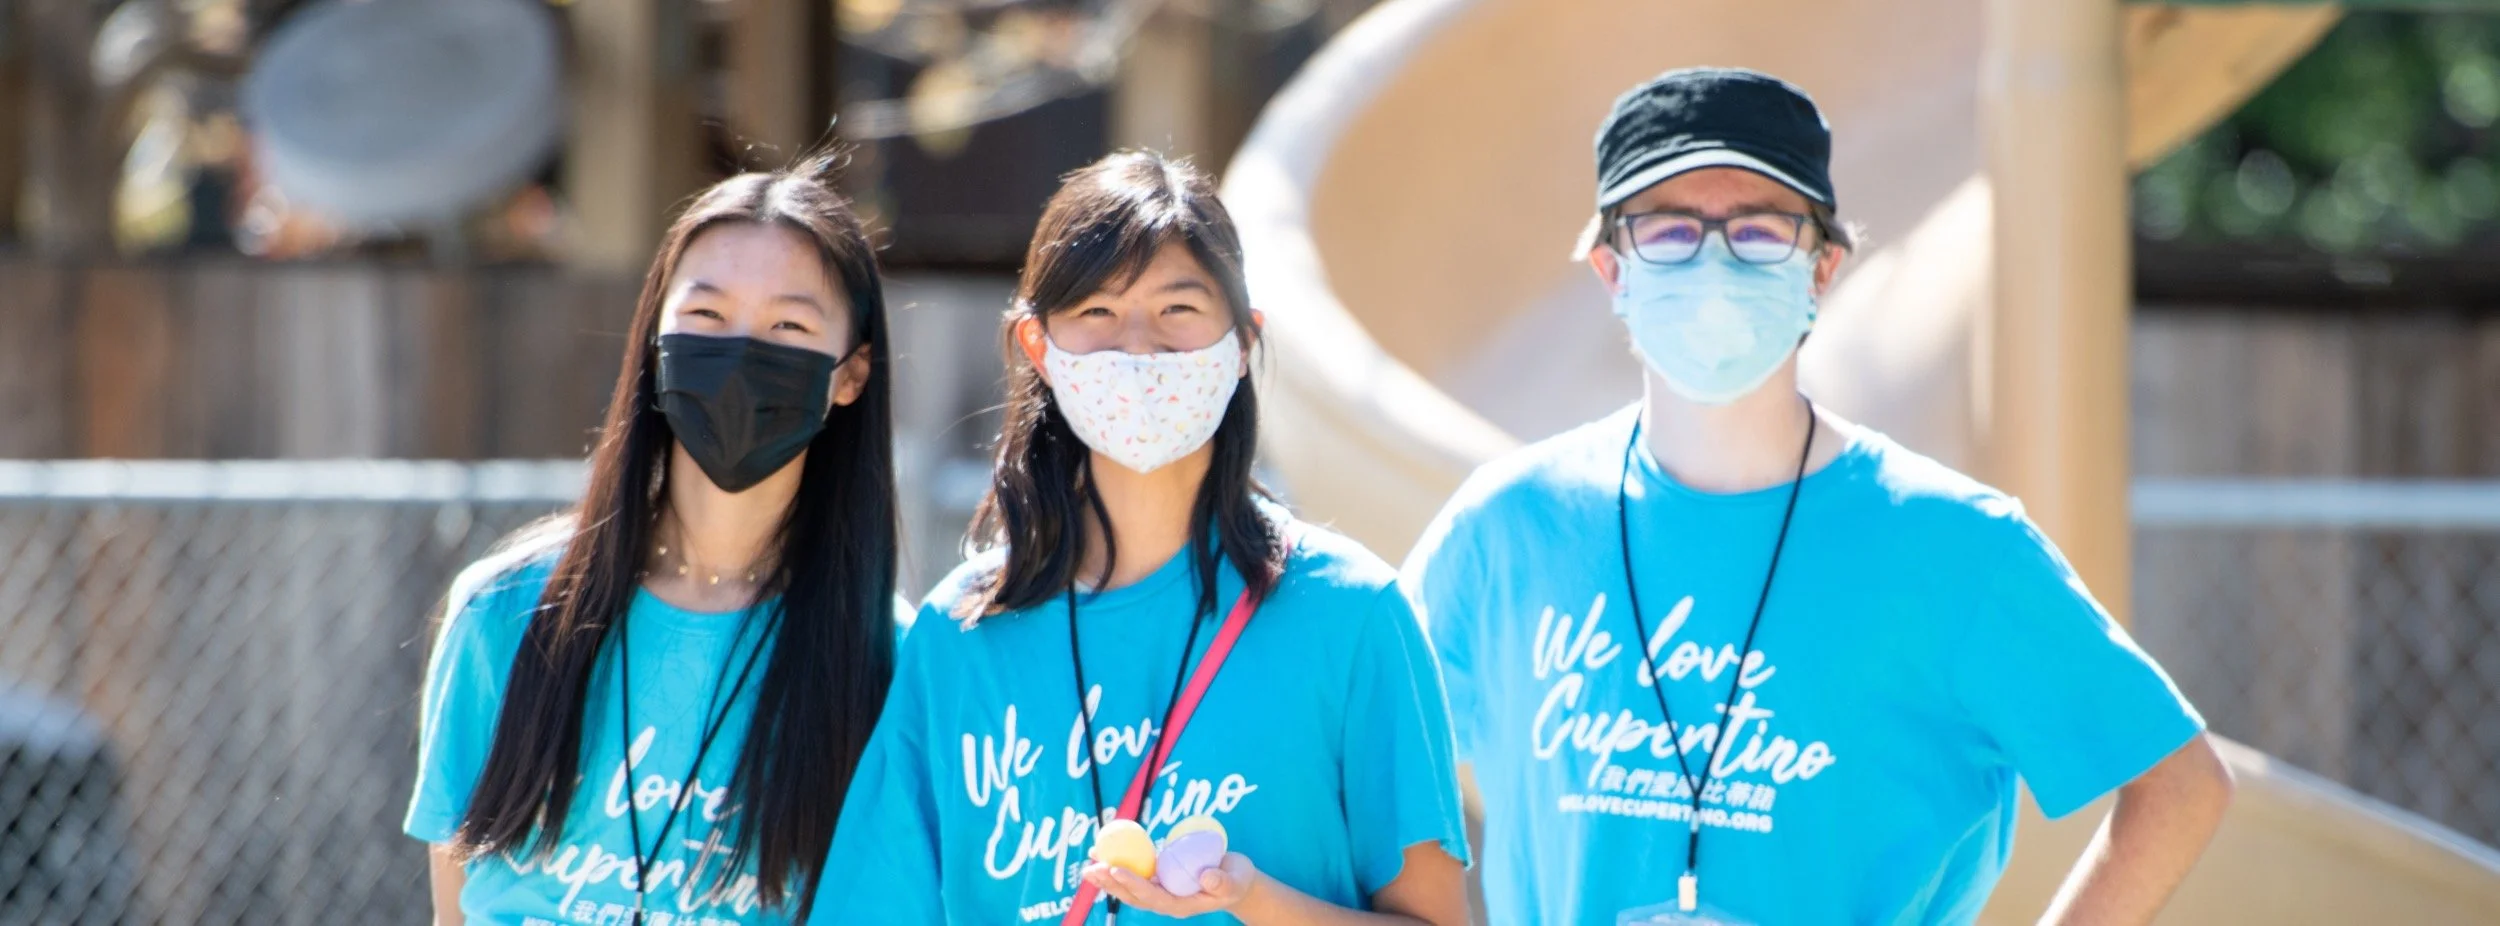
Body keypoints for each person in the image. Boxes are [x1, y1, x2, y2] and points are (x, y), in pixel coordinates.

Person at [1400, 68, 2234, 926]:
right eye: (1670, 231)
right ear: (1613, 269)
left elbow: (2179, 786)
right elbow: (1361, 777)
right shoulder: (1506, 527)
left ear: (1823, 268)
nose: (1713, 261)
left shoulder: (1955, 550)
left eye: (1759, 232)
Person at [816, 151, 1471, 926]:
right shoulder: (960, 634)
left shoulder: (1354, 615)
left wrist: (1254, 900)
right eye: (1096, 311)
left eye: (1178, 310)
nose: (1138, 349)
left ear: (1241, 343)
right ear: (1038, 346)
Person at [405, 158, 900, 926]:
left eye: (789, 327)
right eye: (706, 317)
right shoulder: (505, 609)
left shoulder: (887, 655)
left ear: (851, 374)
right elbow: (456, 904)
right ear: (654, 340)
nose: (740, 353)